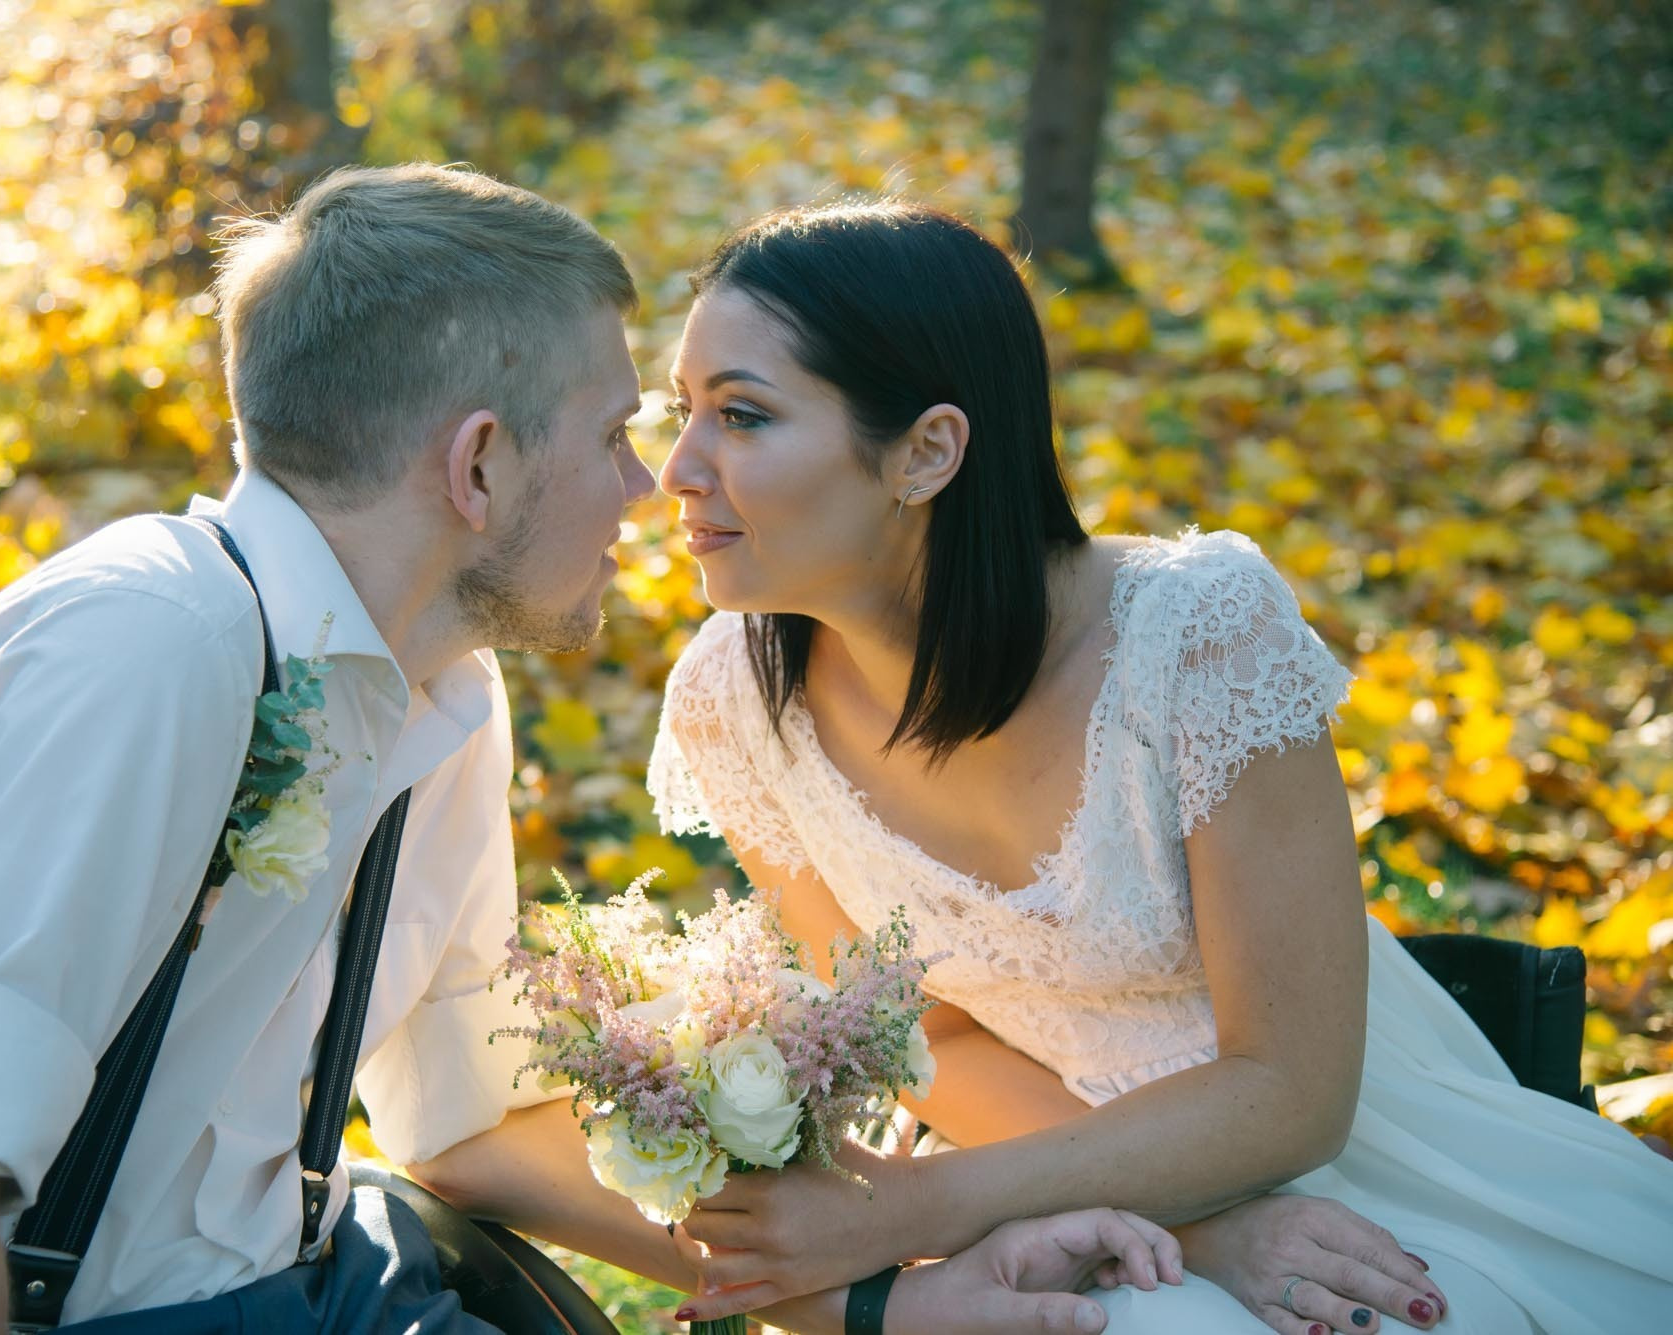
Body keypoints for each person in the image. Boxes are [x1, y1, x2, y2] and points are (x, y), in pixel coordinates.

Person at [0, 165, 1178, 1335]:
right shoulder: (152, 648)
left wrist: (881, 1285)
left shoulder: (443, 693)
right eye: (611, 434)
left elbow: (464, 1118)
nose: (651, 483)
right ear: (476, 465)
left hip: (302, 1280)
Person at [640, 198, 1673, 1335]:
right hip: (1024, 1163)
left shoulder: (1195, 637)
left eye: (739, 416)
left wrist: (909, 1208)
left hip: (1366, 1169)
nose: (675, 470)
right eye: (681, 411)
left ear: (926, 452)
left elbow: (1289, 1094)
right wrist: (1184, 1233)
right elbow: (929, 1039)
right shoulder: (733, 701)